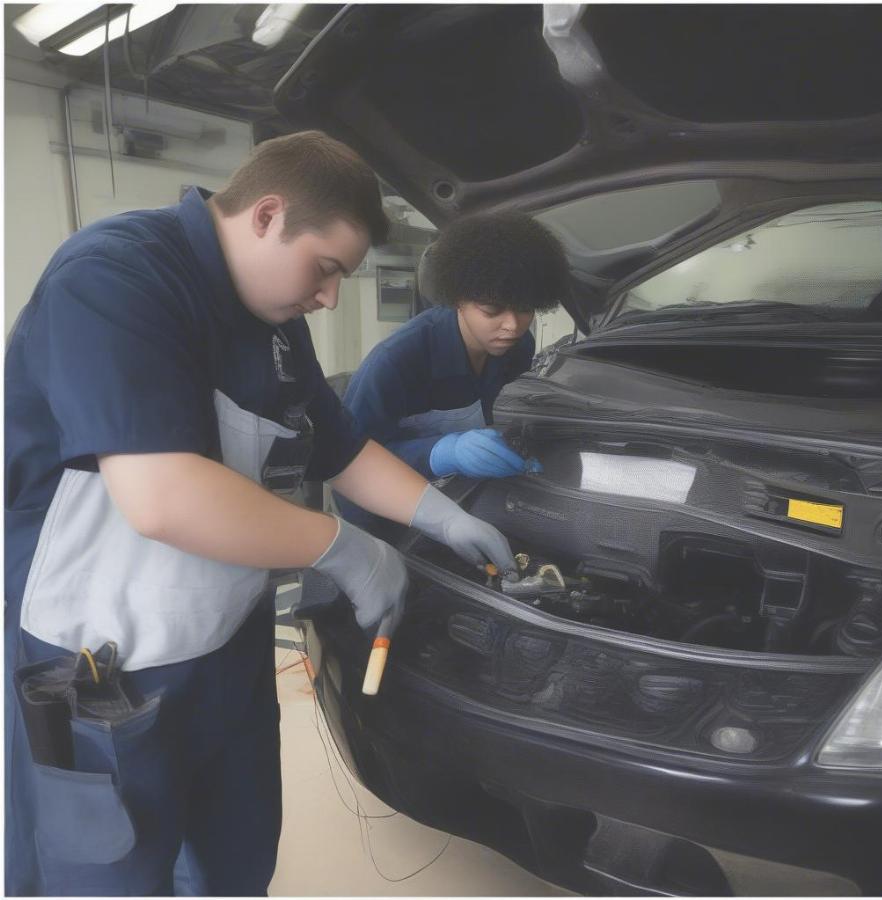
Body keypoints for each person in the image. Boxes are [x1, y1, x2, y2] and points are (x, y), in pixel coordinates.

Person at [4, 131, 514, 896]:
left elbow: (337, 448)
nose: (330, 297)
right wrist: (344, 548)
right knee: (110, 873)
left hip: (225, 644)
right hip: (100, 663)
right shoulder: (114, 277)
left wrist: (441, 515)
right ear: (268, 214)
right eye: (327, 269)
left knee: (235, 859)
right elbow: (162, 496)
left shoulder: (276, 324)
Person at [336, 211, 569, 532]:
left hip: (464, 501)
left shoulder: (518, 346)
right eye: (492, 311)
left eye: (525, 310)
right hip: (390, 520)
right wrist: (441, 453)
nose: (512, 326)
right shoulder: (395, 362)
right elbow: (347, 465)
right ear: (459, 299)